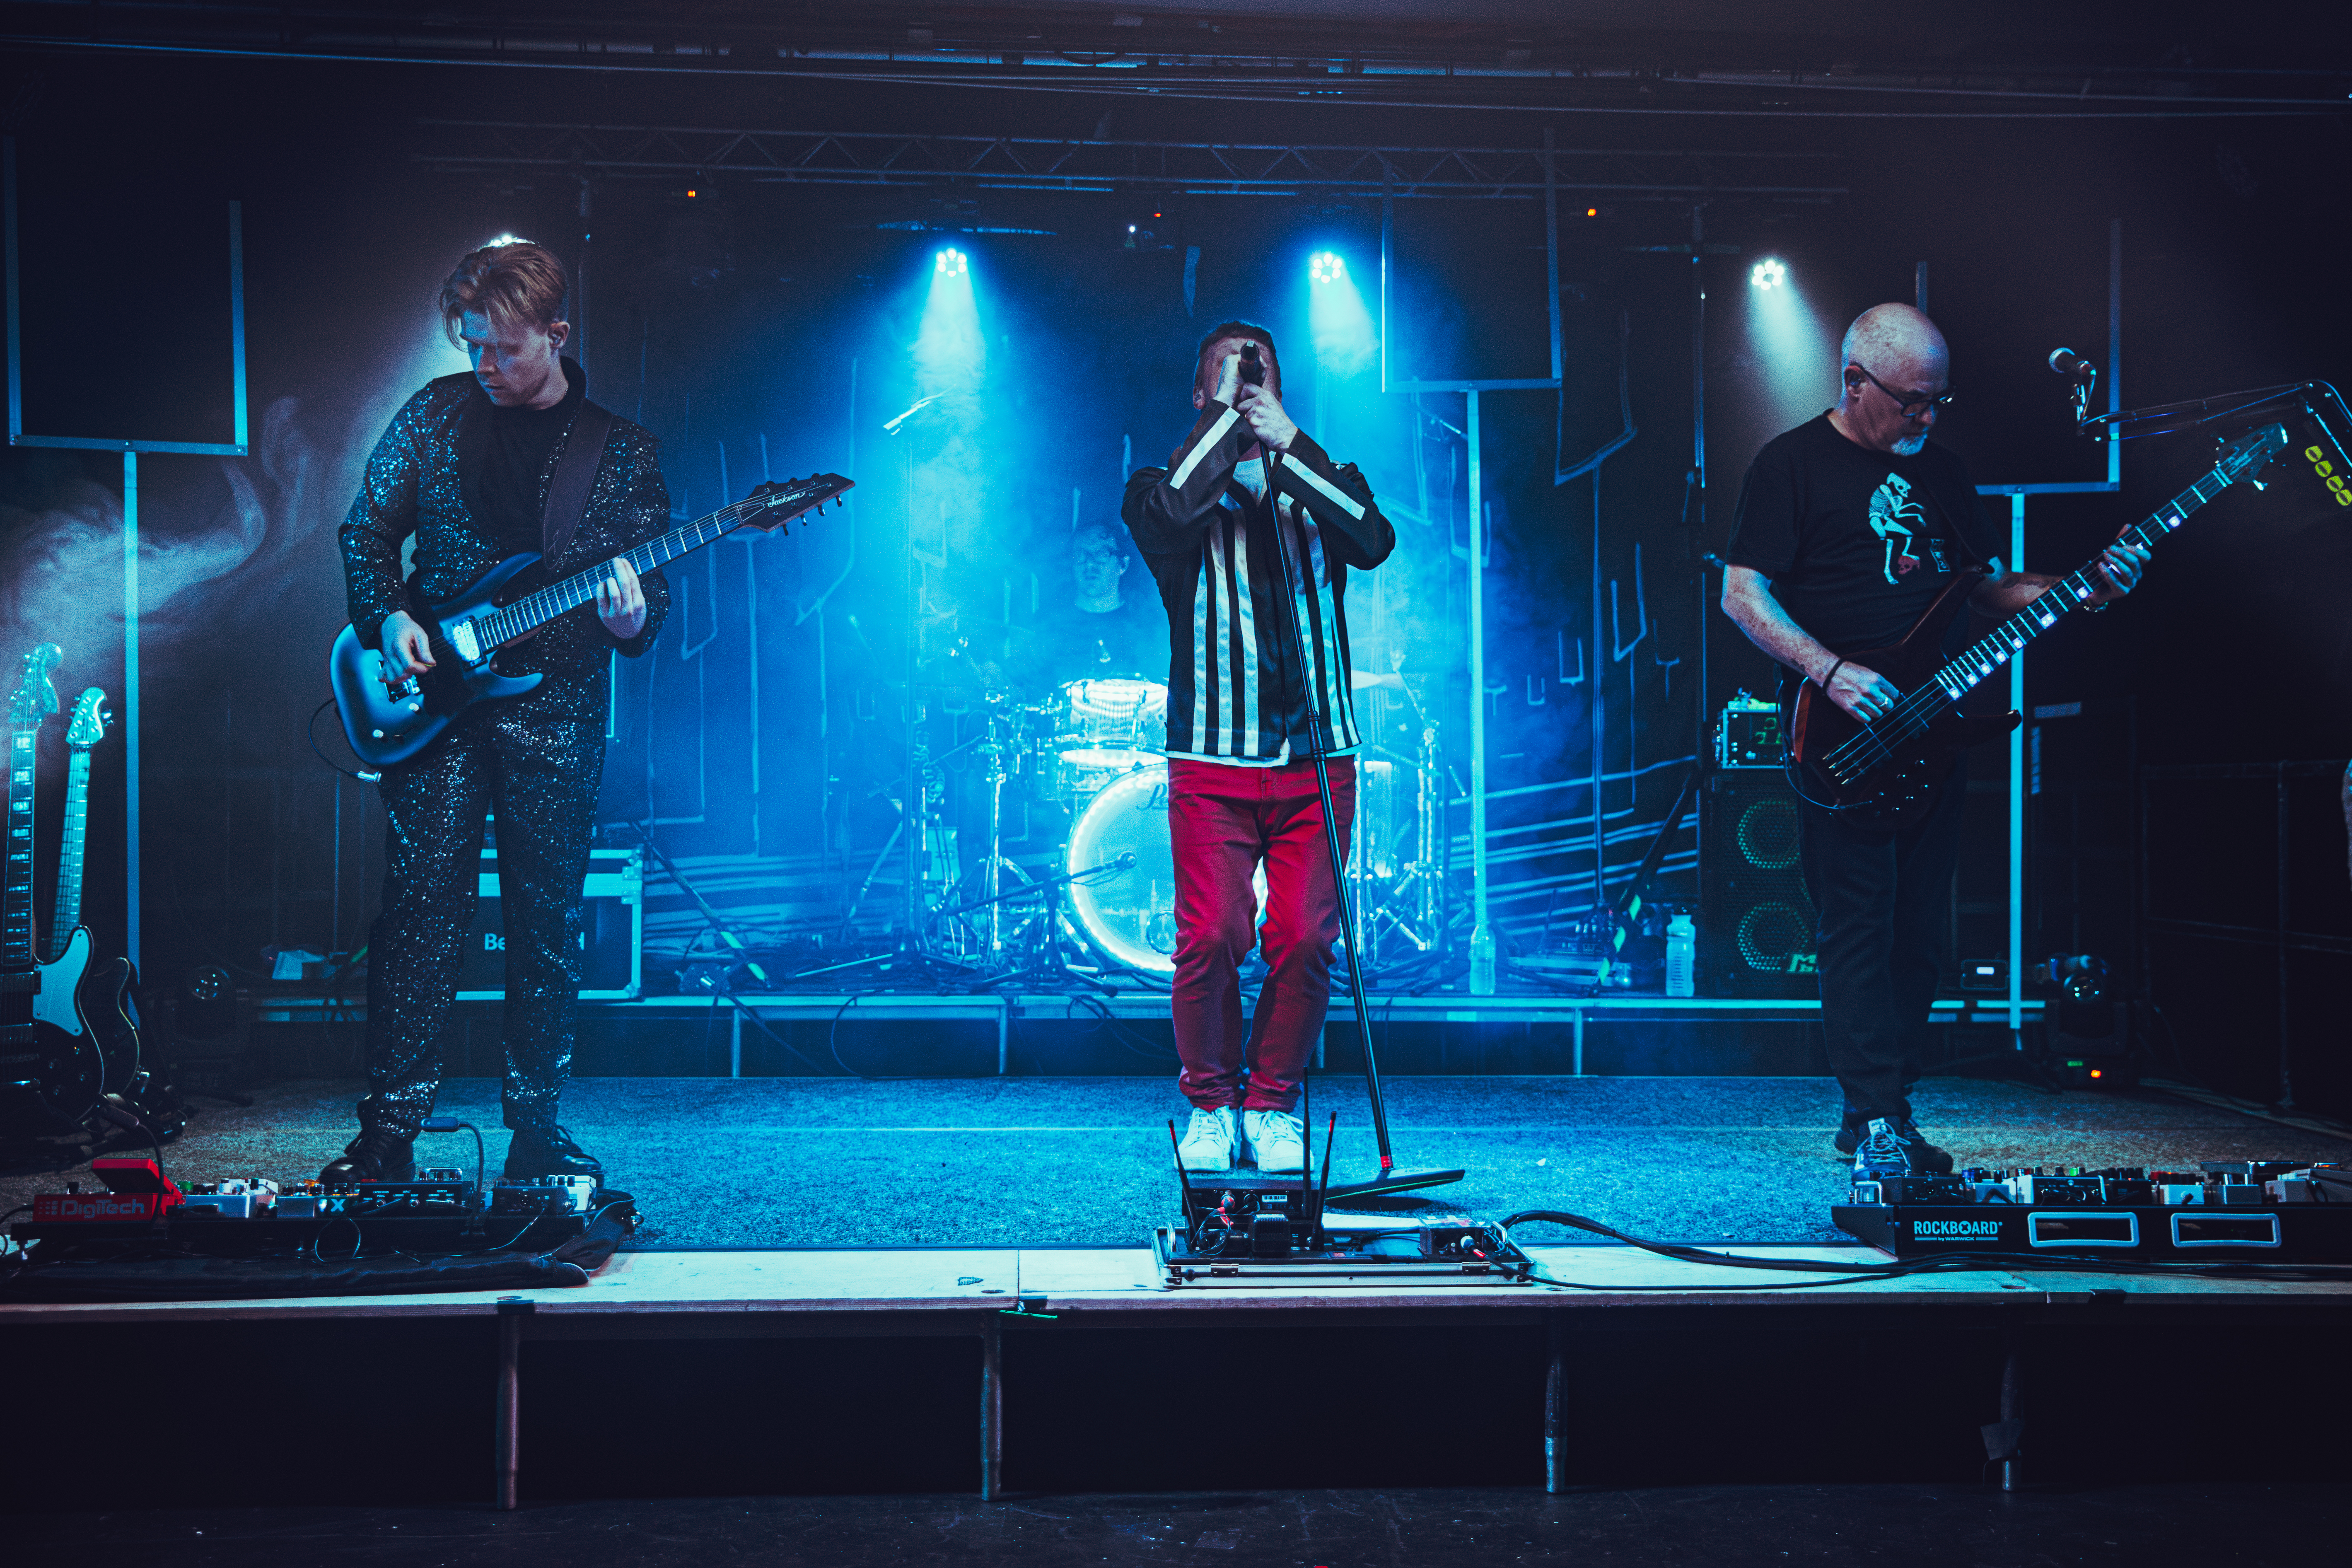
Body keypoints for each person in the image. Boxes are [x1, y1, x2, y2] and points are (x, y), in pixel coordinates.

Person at [1719, 303, 2149, 1178]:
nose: (1925, 417)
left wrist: (2084, 587)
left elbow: (1987, 589)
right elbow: (1741, 594)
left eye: (1937, 401)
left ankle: (1888, 1110)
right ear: (1854, 382)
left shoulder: (1943, 473)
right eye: (1910, 400)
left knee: (1921, 939)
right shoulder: (1790, 464)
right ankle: (1873, 1114)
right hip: (1839, 734)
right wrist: (1829, 670)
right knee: (1855, 927)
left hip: (1930, 731)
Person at [326, 240, 672, 1186]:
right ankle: (389, 1130)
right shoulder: (435, 413)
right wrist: (388, 616)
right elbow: (366, 531)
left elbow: (649, 604)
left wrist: (630, 619)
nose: (482, 363)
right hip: (433, 701)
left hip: (556, 711)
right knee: (418, 915)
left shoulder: (620, 451)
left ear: (556, 335)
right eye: (472, 344)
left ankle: (536, 1131)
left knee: (545, 922)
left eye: (502, 348)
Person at [1122, 321, 1394, 1172]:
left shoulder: (1321, 478)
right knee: (1211, 937)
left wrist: (1290, 444)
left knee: (1308, 939)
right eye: (1228, 374)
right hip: (1212, 759)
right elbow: (1171, 517)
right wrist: (1223, 426)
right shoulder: (1156, 488)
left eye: (1258, 374)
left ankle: (1271, 1104)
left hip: (1318, 757)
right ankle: (1211, 1103)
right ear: (1199, 393)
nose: (1244, 385)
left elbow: (1372, 541)